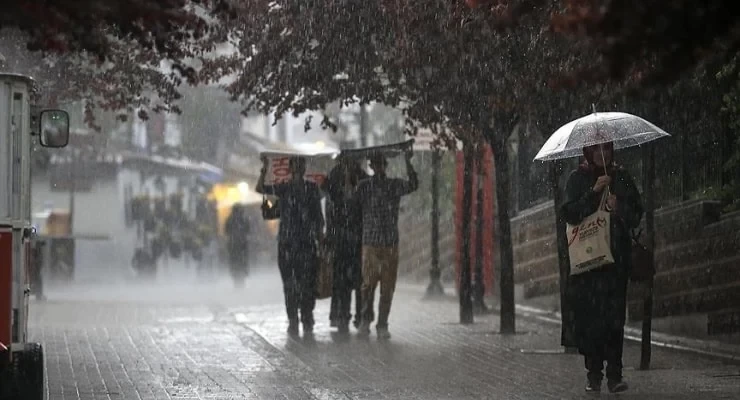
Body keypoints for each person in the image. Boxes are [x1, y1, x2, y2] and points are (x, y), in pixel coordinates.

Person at [561, 142, 643, 394]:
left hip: (615, 262)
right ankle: (593, 373)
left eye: (606, 149)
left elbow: (637, 213)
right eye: (596, 150)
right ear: (588, 153)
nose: (602, 154)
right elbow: (569, 213)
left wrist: (620, 208)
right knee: (592, 320)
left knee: (615, 319)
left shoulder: (621, 177)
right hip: (588, 264)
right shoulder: (578, 179)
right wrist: (592, 193)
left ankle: (615, 374)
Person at [354, 150, 418, 339]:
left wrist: (408, 163)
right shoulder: (364, 187)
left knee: (387, 287)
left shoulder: (394, 185)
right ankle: (366, 319)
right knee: (368, 285)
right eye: (376, 164)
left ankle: (382, 323)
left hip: (389, 242)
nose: (379, 167)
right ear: (372, 166)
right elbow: (352, 203)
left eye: (381, 164)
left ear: (384, 166)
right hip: (371, 242)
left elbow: (413, 184)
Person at [257, 156, 324, 335]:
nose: (297, 170)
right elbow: (261, 188)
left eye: (300, 166)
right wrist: (264, 168)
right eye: (294, 167)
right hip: (287, 245)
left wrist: (321, 240)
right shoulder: (284, 189)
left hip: (307, 244)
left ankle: (307, 317)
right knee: (290, 284)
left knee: (307, 283)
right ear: (290, 169)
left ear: (303, 169)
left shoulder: (311, 189)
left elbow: (318, 218)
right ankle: (293, 318)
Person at [323, 157, 369, 333]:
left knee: (358, 281)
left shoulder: (361, 178)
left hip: (356, 239)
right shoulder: (334, 178)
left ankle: (359, 316)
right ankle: (342, 316)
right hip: (341, 239)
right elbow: (330, 204)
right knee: (342, 280)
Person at [224, 204, 250, 287]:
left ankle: (236, 280)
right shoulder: (244, 219)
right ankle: (241, 280)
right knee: (242, 262)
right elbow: (248, 230)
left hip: (233, 244)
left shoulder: (229, 219)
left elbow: (226, 231)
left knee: (234, 262)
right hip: (242, 244)